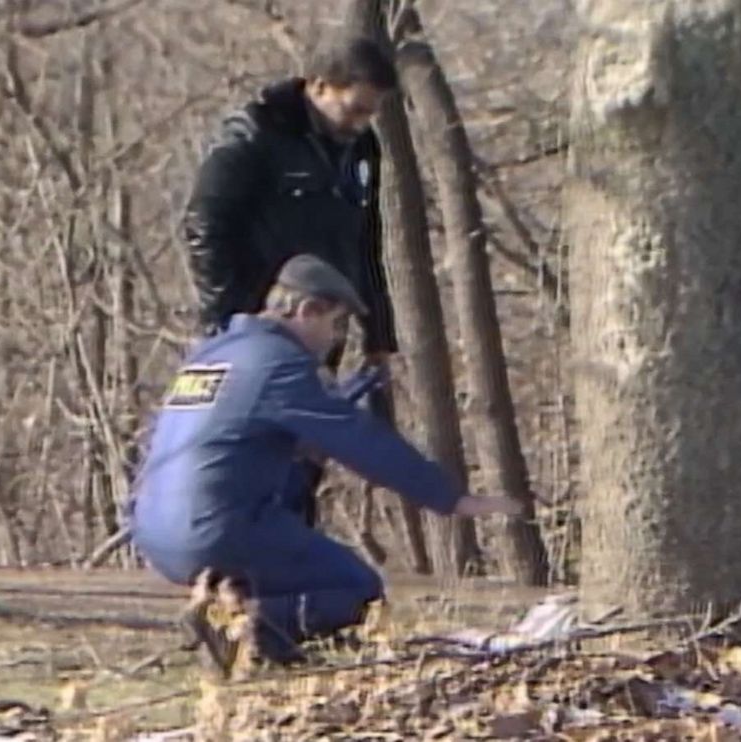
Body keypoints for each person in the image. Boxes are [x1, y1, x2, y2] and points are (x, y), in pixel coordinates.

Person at [129, 255, 522, 675]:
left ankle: (248, 636)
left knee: (289, 575)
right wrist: (449, 497)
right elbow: (359, 439)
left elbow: (223, 442)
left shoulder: (212, 353)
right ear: (306, 310)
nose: (334, 340)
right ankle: (242, 628)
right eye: (334, 325)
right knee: (357, 589)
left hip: (152, 530)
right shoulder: (279, 363)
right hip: (217, 530)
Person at [183, 35, 401, 525]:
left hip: (323, 325)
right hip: (260, 323)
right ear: (320, 86)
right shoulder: (255, 133)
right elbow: (204, 224)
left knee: (305, 453)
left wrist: (379, 331)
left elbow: (366, 241)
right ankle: (234, 573)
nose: (361, 123)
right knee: (251, 451)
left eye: (371, 113)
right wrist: (229, 321)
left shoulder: (361, 148)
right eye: (354, 109)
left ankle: (292, 563)